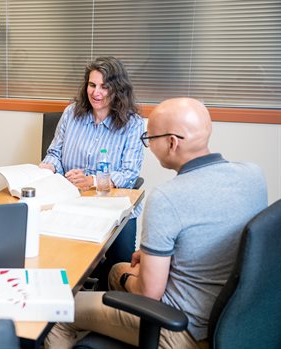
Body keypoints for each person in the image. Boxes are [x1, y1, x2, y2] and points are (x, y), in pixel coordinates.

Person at [45, 98, 268, 349]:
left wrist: (132, 276)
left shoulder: (166, 198)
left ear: (171, 142)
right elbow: (216, 230)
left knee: (56, 311)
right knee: (118, 269)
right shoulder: (253, 174)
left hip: (183, 329)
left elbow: (148, 293)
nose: (148, 147)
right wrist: (149, 260)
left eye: (149, 139)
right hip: (232, 314)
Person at [40, 56, 144, 286]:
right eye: (92, 85)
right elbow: (55, 153)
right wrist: (48, 166)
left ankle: (102, 307)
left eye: (105, 87)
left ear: (118, 89)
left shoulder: (133, 123)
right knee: (54, 253)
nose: (96, 93)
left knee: (118, 266)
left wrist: (93, 180)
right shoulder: (71, 113)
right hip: (70, 200)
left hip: (113, 206)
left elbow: (129, 173)